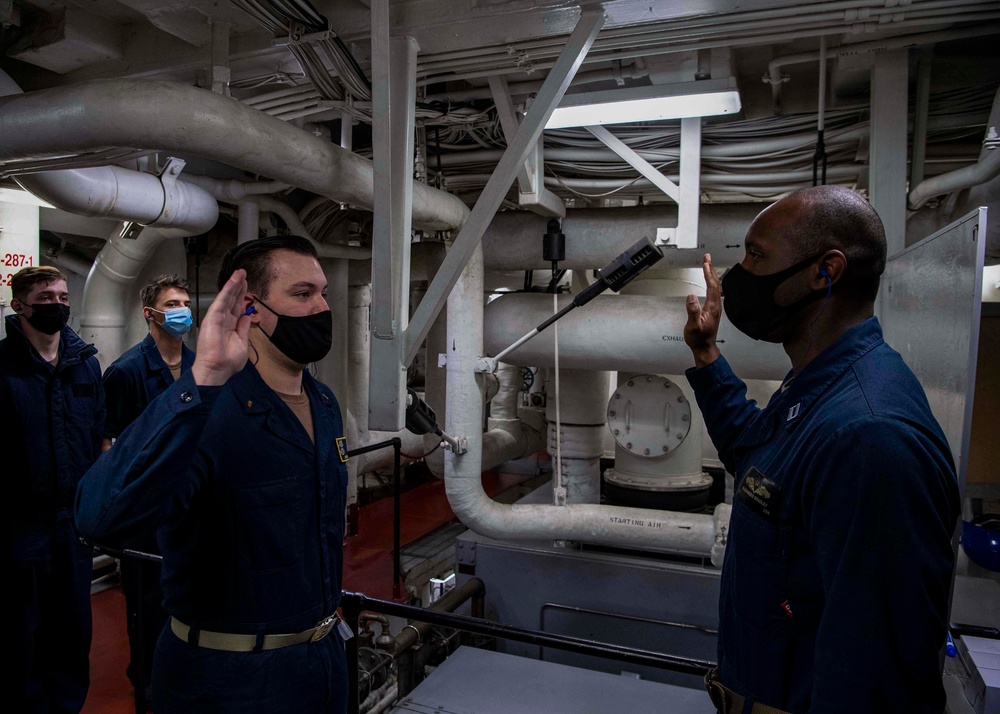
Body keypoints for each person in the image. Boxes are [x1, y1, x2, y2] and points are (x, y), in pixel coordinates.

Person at [683, 185, 960, 714]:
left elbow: (875, 681)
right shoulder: (817, 386)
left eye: (757, 255)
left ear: (824, 271)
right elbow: (759, 464)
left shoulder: (870, 437)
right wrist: (707, 354)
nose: (738, 275)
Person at [76, 236, 351, 714]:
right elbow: (100, 519)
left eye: (323, 293)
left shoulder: (324, 404)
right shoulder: (204, 411)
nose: (323, 308)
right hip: (231, 681)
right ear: (252, 306)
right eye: (304, 294)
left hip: (322, 662)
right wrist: (203, 375)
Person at [1, 265, 105, 713]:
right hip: (18, 525)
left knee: (72, 627)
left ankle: (66, 706)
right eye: (46, 298)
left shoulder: (86, 364)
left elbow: (99, 437)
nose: (58, 305)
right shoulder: (3, 367)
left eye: (64, 297)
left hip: (72, 526)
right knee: (21, 631)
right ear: (19, 306)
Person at [102, 274, 195, 709]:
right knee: (149, 618)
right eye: (172, 303)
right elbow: (109, 452)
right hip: (148, 523)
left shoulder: (200, 368)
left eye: (185, 302)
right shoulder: (126, 374)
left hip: (195, 511)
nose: (182, 310)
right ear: (150, 314)